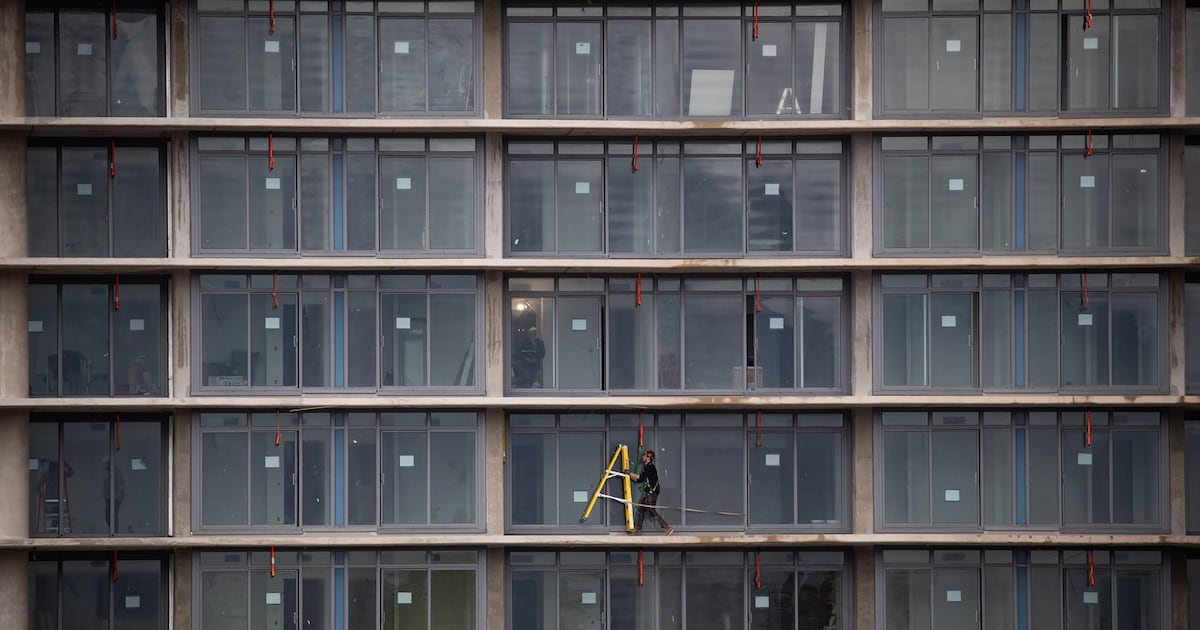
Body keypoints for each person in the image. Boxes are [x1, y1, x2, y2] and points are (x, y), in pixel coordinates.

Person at [627, 450, 673, 535]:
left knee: (651, 509)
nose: (643, 457)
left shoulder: (650, 467)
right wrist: (629, 475)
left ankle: (667, 527)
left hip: (652, 492)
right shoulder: (647, 467)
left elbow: (641, 477)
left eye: (644, 455)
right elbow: (640, 480)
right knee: (641, 509)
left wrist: (629, 473)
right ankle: (638, 530)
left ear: (648, 458)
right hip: (649, 492)